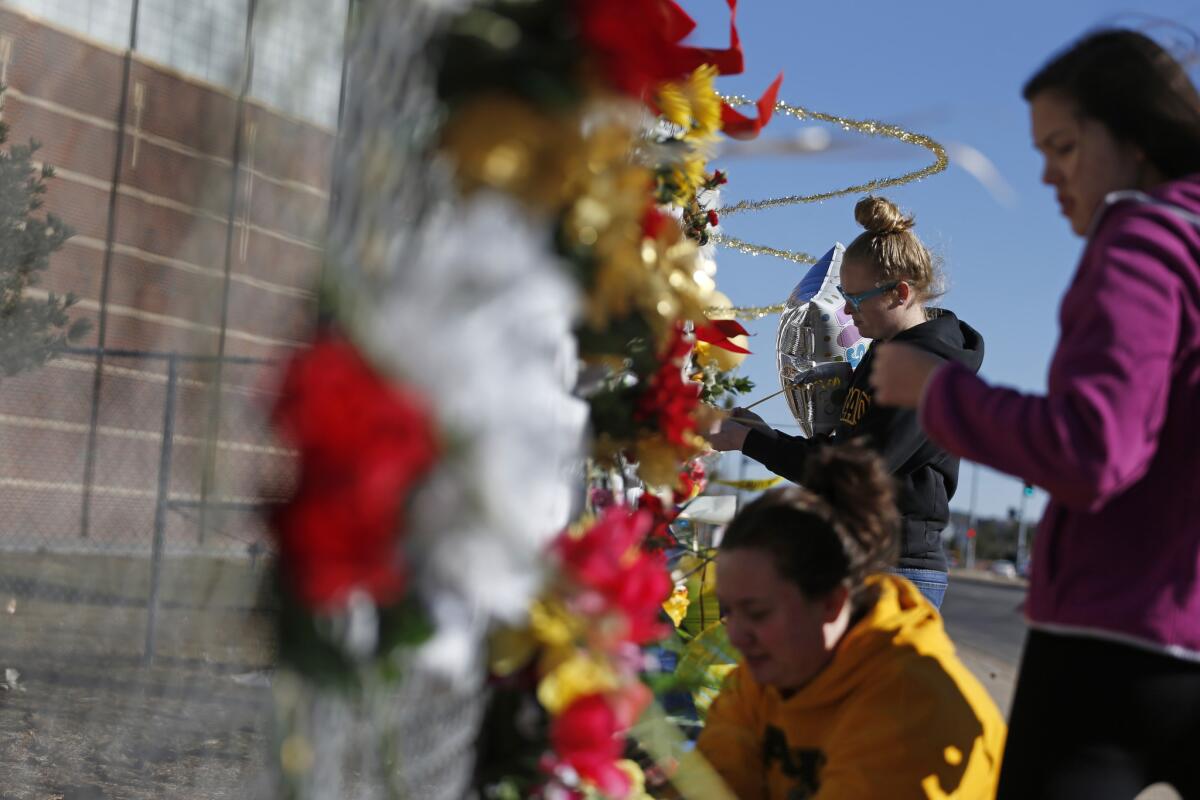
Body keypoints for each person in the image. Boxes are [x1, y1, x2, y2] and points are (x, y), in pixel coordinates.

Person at [869, 29, 1200, 799]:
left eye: (1064, 146)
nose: (1048, 176)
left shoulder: (1143, 239)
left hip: (1109, 645)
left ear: (1137, 138)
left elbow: (1092, 449)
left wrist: (934, 390)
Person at [708, 196, 984, 609]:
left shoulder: (924, 370)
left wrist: (750, 444)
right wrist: (762, 432)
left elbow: (851, 474)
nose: (847, 313)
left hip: (898, 570)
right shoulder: (888, 350)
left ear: (900, 293)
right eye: (843, 297)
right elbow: (842, 452)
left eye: (855, 301)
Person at [696, 443, 1005, 799]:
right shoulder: (773, 669)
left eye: (758, 613)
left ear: (832, 603)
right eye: (729, 611)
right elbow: (718, 770)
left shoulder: (909, 712)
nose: (735, 635)